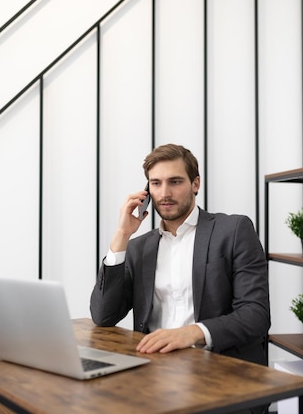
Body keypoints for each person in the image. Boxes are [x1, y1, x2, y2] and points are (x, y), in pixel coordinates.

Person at [90, 144, 270, 367]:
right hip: (153, 369)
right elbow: (103, 315)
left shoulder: (233, 231)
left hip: (218, 368)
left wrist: (193, 333)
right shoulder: (139, 248)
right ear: (147, 191)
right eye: (156, 183)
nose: (165, 193)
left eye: (175, 182)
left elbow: (256, 315)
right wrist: (122, 235)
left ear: (196, 183)